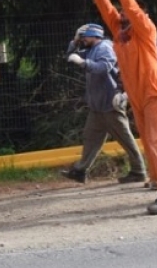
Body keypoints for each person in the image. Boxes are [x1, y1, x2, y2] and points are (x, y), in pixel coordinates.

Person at [90, 0, 157, 215]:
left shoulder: (146, 30)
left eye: (127, 11)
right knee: (149, 139)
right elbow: (107, 11)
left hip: (154, 91)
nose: (122, 14)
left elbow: (132, 11)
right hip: (137, 94)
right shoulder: (121, 33)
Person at [59, 23, 148, 185]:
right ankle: (80, 171)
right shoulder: (91, 49)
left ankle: (139, 171)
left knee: (125, 138)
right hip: (97, 106)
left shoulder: (104, 48)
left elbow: (103, 68)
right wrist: (75, 41)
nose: (83, 39)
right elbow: (70, 57)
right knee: (91, 138)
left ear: (94, 35)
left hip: (110, 103)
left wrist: (83, 63)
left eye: (85, 36)